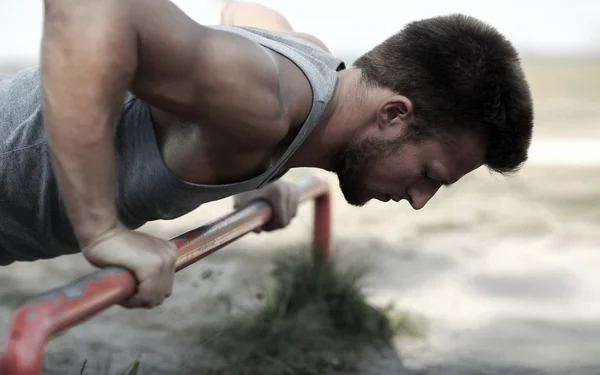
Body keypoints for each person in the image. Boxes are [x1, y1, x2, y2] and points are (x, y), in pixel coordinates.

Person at [0, 0, 533, 309]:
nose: (419, 201)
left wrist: (261, 174)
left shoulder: (310, 71)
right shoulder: (264, 101)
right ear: (394, 114)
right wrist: (101, 230)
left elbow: (247, 12)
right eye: (428, 175)